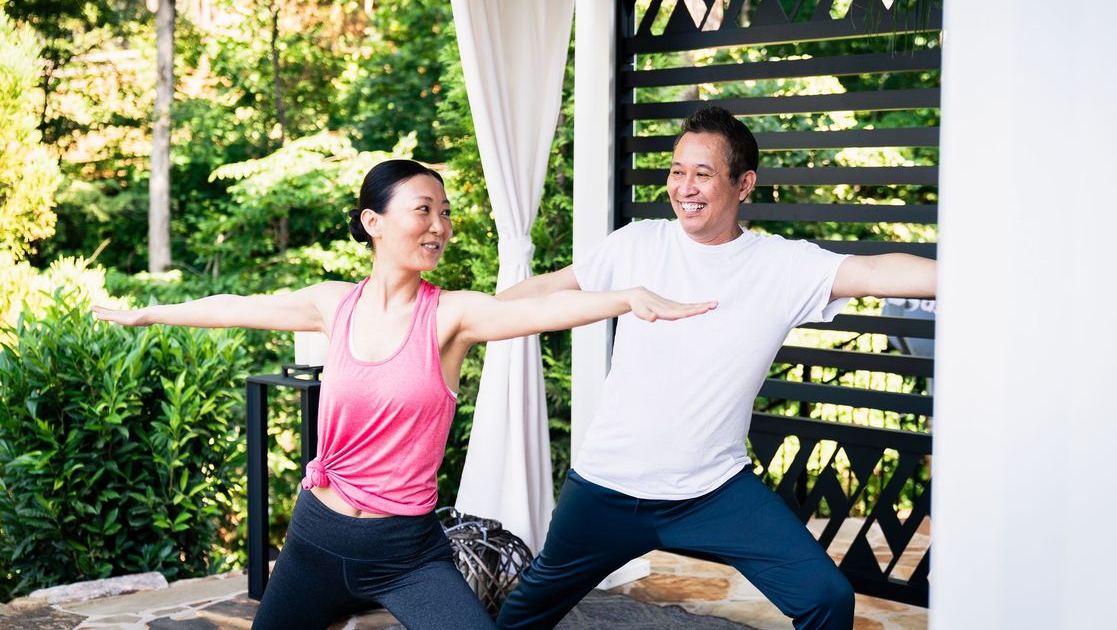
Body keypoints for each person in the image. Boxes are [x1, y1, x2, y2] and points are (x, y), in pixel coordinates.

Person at [93, 159, 716, 630]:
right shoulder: (332, 304)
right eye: (424, 210)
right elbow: (236, 307)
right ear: (374, 222)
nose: (440, 226)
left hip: (405, 552)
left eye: (445, 213)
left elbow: (552, 309)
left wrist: (630, 298)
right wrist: (150, 315)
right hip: (316, 539)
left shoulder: (452, 317)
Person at [494, 106, 937, 630]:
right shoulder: (638, 243)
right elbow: (553, 287)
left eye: (702, 174)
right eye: (677, 171)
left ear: (743, 183)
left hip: (714, 492)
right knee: (524, 614)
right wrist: (475, 312)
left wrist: (980, 273)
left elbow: (873, 271)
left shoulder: (781, 265)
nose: (685, 187)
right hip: (605, 488)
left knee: (827, 598)